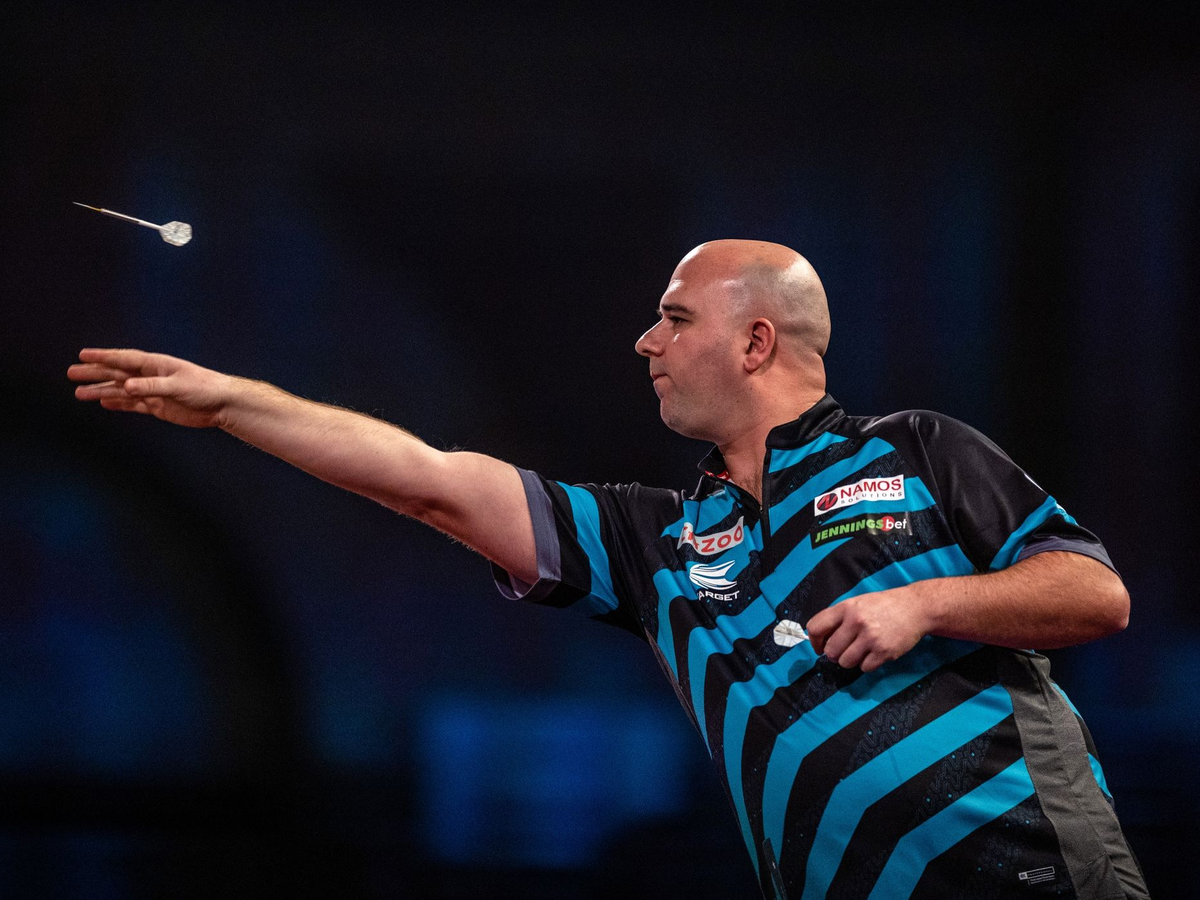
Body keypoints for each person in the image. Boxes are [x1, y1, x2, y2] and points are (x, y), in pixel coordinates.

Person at [69, 240, 1150, 899]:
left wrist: (924, 602)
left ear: (756, 343)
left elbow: (1095, 593)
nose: (645, 342)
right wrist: (233, 404)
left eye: (675, 318)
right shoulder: (656, 541)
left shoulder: (918, 450)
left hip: (1038, 870)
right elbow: (432, 481)